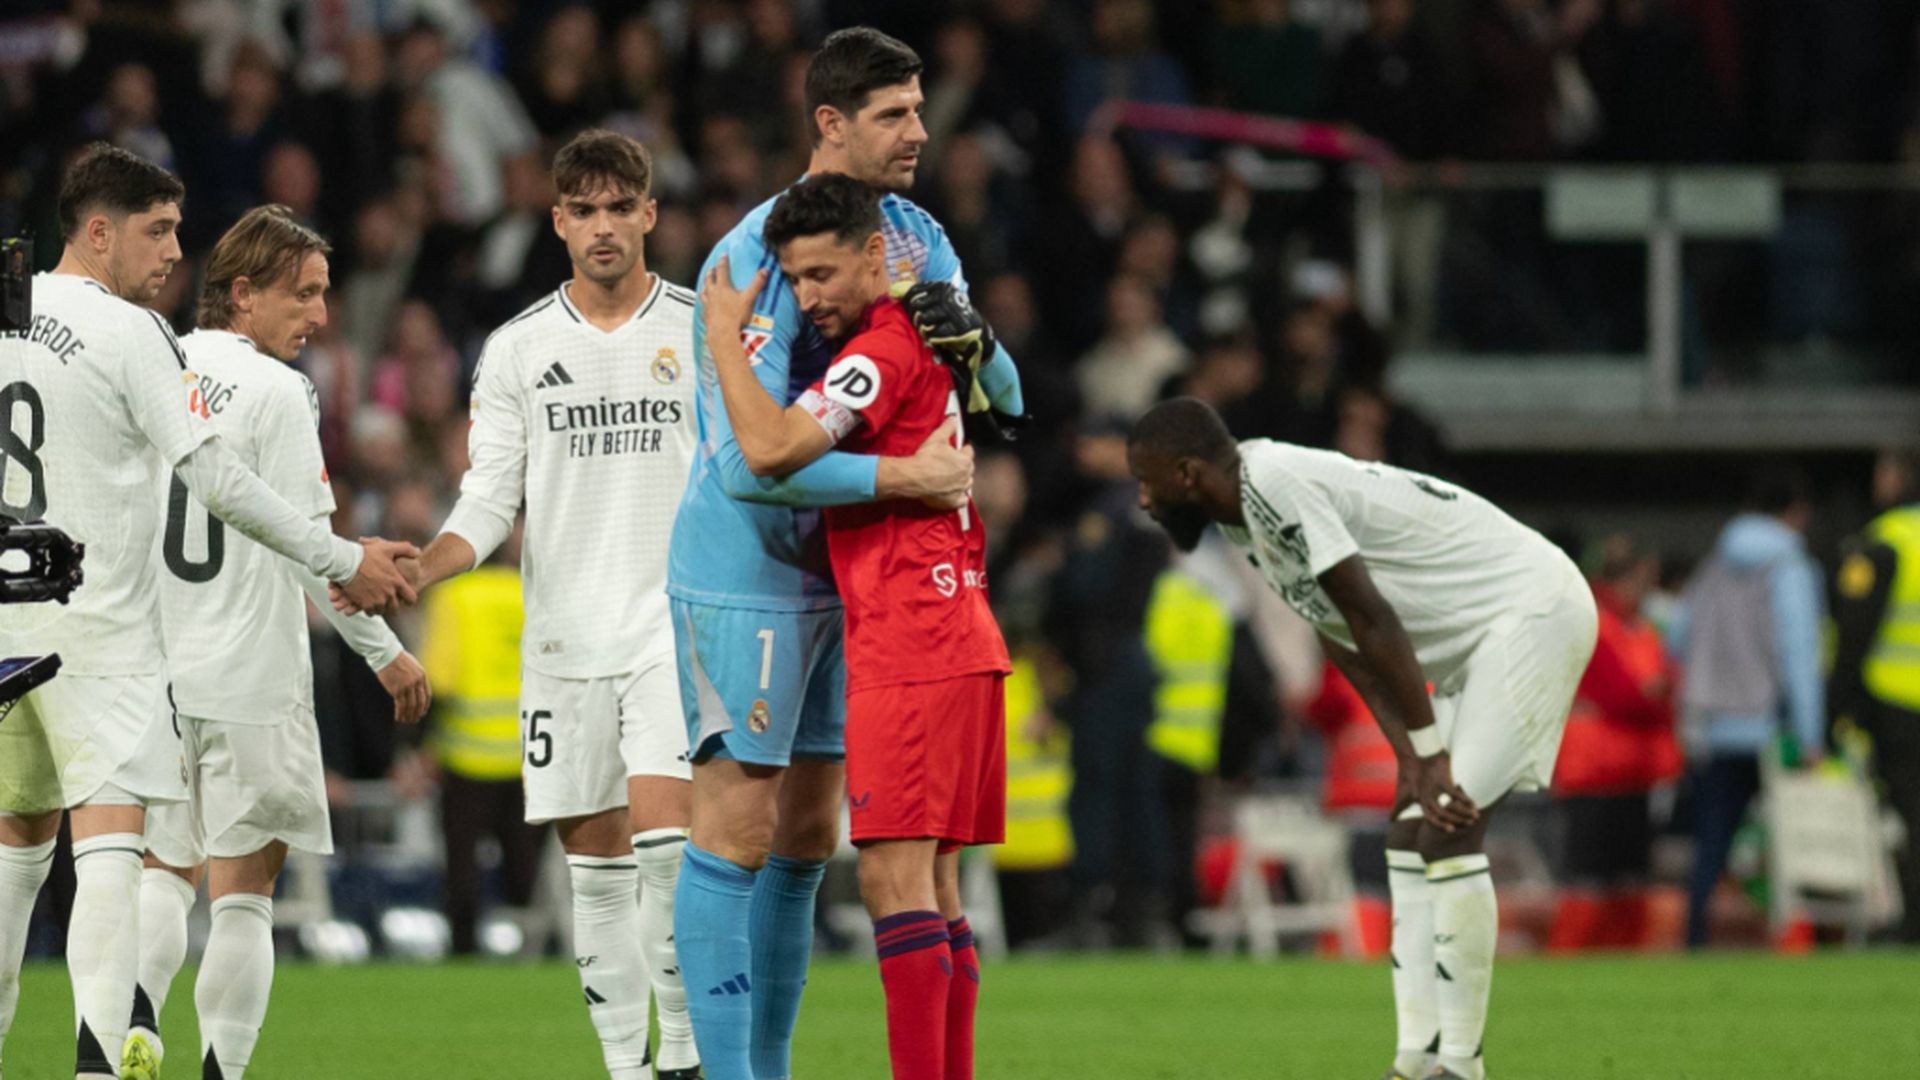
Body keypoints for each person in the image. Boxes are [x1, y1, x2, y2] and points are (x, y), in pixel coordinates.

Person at [0, 143, 413, 1079]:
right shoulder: (134, 334)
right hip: (107, 640)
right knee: (121, 856)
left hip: (7, 633)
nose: (172, 254)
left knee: (18, 865)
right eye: (157, 231)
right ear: (98, 231)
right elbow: (217, 476)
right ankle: (104, 1063)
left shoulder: (10, 309)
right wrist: (346, 555)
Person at [665, 28, 1020, 1080]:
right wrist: (896, 481)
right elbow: (745, 463)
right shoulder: (748, 256)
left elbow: (991, 398)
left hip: (859, 582)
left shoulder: (917, 240)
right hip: (750, 569)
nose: (919, 131)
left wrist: (984, 350)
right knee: (736, 822)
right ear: (830, 123)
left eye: (917, 109)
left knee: (811, 836)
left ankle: (765, 1062)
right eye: (894, 115)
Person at [340, 129, 701, 1079]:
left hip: (674, 627)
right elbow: (491, 499)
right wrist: (427, 566)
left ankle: (688, 1057)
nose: (604, 227)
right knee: (597, 870)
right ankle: (628, 1066)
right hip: (565, 640)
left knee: (668, 847)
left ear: (650, 214)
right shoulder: (518, 348)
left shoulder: (701, 331)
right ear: (557, 222)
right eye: (584, 210)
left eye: (622, 206)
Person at [1125, 398, 1596, 1080]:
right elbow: (1341, 632)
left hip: (1530, 611)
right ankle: (1414, 1060)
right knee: (1409, 829)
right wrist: (1410, 755)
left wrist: (1431, 754)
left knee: (1447, 827)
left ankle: (1461, 1067)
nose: (1142, 499)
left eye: (1148, 479)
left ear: (1189, 472)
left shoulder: (1273, 482)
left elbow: (1374, 618)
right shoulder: (1243, 519)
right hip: (1478, 642)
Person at [124, 204, 433, 1080]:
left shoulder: (154, 369)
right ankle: (221, 1067)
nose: (320, 316)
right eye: (304, 294)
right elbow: (313, 549)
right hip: (250, 673)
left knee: (161, 867)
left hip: (154, 669)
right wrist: (386, 653)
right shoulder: (276, 390)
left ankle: (135, 1014)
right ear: (243, 293)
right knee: (246, 893)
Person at [1669, 467, 1824, 949]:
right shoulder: (1790, 568)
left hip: (1715, 727)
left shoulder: (1713, 566)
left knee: (1712, 842)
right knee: (1792, 840)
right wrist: (1811, 733)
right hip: (1770, 730)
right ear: (1796, 513)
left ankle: (1695, 937)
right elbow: (1797, 654)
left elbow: (1677, 638)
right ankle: (1794, 937)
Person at [1548, 533, 1681, 951]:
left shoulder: (1640, 629)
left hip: (1633, 773)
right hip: (1595, 774)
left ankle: (1623, 964)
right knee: (1588, 883)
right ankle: (1566, 965)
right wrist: (1652, 695)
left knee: (1630, 881)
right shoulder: (1593, 623)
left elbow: (1664, 692)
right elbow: (1625, 695)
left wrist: (1654, 695)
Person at [1829, 448, 1920, 943]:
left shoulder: (1886, 542)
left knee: (1909, 817)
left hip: (1899, 704)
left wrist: (1837, 705)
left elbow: (1855, 630)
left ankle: (1912, 922)